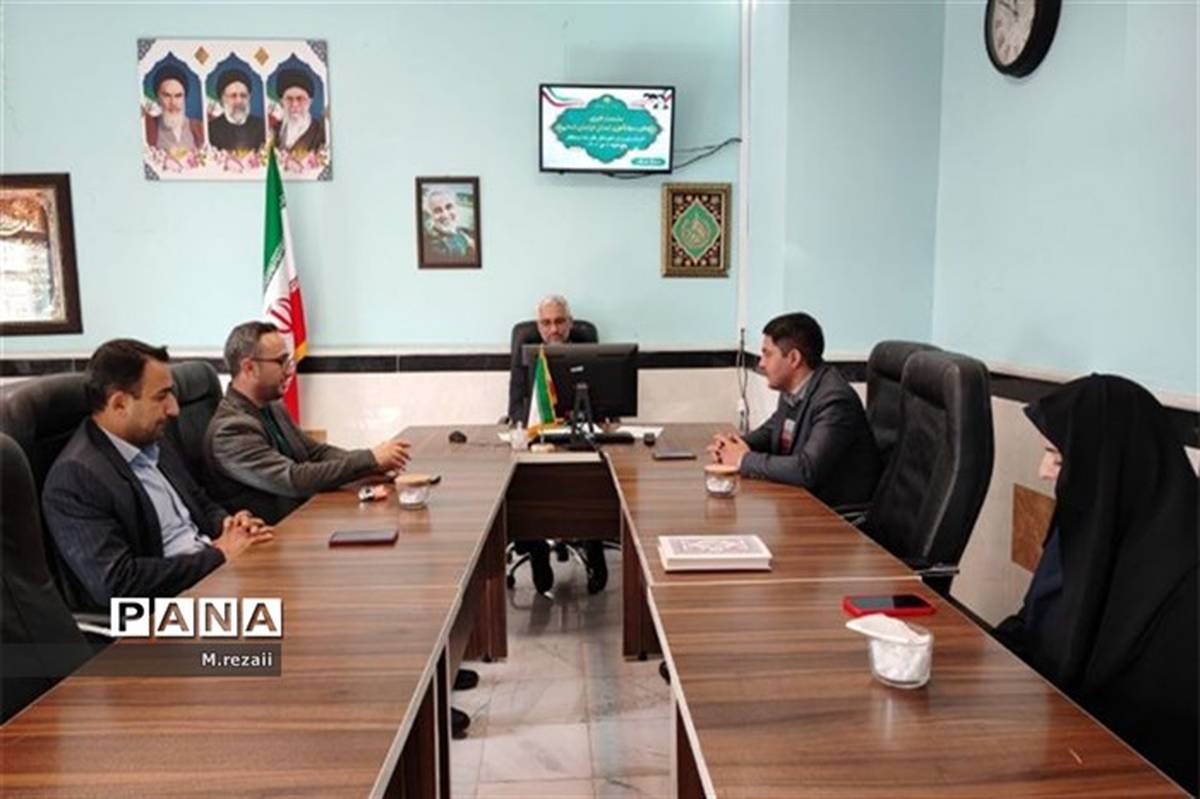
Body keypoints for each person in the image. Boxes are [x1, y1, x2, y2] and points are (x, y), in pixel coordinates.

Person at [995, 375, 1197, 793]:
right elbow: (1033, 627)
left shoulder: (1185, 580)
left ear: (1105, 466)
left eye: (1057, 457)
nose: (1042, 472)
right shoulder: (1088, 527)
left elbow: (1163, 732)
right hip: (1057, 738)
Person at [41, 340, 272, 613]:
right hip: (159, 614)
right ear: (119, 404)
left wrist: (229, 524)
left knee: (293, 584)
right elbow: (119, 583)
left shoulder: (151, 440)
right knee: (274, 626)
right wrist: (219, 554)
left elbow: (199, 501)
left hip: (209, 579)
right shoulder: (76, 478)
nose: (174, 409)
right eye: (161, 397)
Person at [203, 321, 411, 525]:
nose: (288, 371)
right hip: (275, 536)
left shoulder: (272, 406)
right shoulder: (230, 431)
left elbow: (315, 453)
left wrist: (371, 466)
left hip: (304, 518)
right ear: (249, 368)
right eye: (281, 362)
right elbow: (293, 480)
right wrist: (368, 459)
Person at [708, 312, 880, 509]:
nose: (761, 363)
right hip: (802, 504)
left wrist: (742, 459)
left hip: (836, 515)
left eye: (767, 354)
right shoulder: (794, 389)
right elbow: (773, 431)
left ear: (794, 358)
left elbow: (806, 469)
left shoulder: (835, 401)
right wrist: (734, 446)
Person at [505, 295, 606, 595]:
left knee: (593, 481)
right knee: (526, 484)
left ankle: (593, 543)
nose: (554, 329)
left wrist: (604, 418)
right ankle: (536, 548)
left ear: (570, 323)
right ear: (537, 327)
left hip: (580, 436)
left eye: (560, 321)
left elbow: (602, 401)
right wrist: (522, 429)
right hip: (539, 438)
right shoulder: (527, 354)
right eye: (546, 323)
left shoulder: (586, 352)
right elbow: (516, 405)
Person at [144, 65, 205, 151]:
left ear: (184, 98)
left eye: (178, 96)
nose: (173, 103)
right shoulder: (148, 127)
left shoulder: (199, 128)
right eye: (167, 95)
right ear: (157, 98)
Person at [270, 68, 326, 156]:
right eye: (289, 99)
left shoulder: (321, 133)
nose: (294, 104)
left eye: (300, 99)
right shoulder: (274, 130)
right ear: (281, 102)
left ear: (310, 102)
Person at [208, 68, 266, 153]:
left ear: (249, 98)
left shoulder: (262, 127)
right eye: (233, 96)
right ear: (222, 100)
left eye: (243, 95)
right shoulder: (211, 130)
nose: (239, 101)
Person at [421, 188, 476, 262]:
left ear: (456, 208)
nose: (445, 215)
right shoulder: (432, 245)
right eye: (437, 210)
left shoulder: (463, 231)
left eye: (449, 207)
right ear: (430, 215)